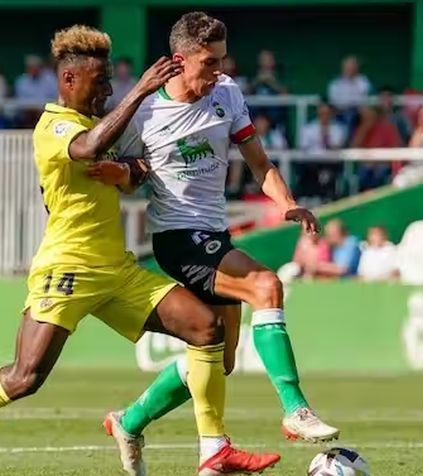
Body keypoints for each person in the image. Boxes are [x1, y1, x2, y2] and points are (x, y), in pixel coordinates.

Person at [0, 25, 279, 476]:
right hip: (67, 270)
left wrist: (132, 169)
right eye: (100, 83)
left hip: (116, 271)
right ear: (70, 81)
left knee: (208, 329)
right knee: (24, 378)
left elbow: (133, 171)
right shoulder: (54, 125)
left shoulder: (97, 123)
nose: (108, 92)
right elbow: (90, 147)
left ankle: (214, 448)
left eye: (112, 83)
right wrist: (142, 90)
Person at [105, 12, 338, 475]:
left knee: (218, 360)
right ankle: (295, 410)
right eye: (208, 63)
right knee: (266, 287)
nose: (218, 72)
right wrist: (126, 175)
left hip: (214, 235)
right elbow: (119, 178)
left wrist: (287, 202)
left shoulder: (227, 94)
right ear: (179, 61)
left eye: (221, 61)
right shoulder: (144, 112)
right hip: (177, 239)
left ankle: (128, 421)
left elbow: (258, 161)